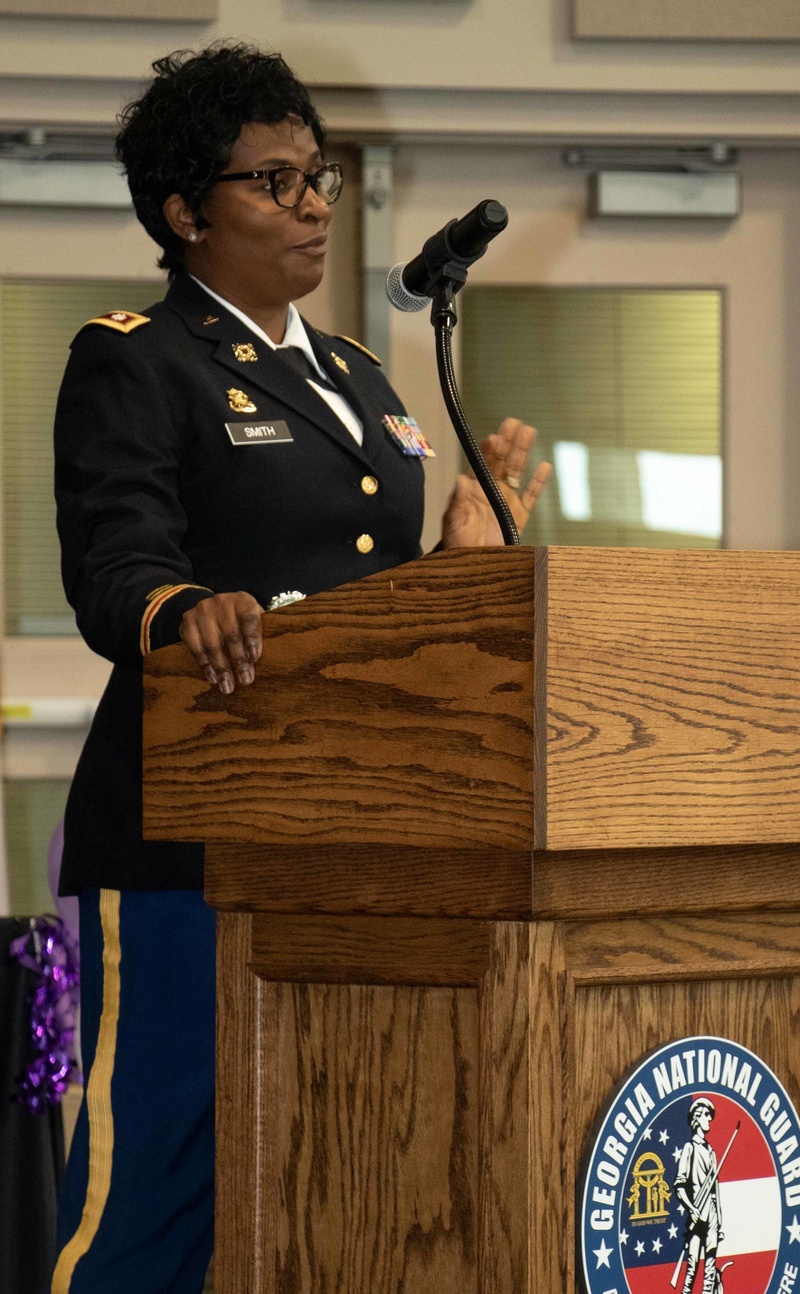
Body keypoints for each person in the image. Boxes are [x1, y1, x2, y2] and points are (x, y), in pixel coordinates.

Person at [50, 42, 550, 1294]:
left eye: (315, 173)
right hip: (184, 842)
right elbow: (115, 567)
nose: (313, 201)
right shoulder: (136, 358)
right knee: (150, 1190)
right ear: (184, 210)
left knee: (322, 1171)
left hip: (347, 844)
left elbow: (372, 626)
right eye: (273, 180)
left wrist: (460, 564)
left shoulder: (362, 382)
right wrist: (184, 608)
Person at [674, 1097, 724, 1294]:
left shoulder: (712, 1152)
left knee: (710, 1266)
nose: (709, 1120)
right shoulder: (690, 1148)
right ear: (696, 1119)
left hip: (711, 1214)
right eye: (705, 1116)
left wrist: (719, 1220)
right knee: (693, 1264)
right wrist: (691, 1209)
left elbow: (716, 1190)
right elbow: (679, 1185)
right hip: (697, 1213)